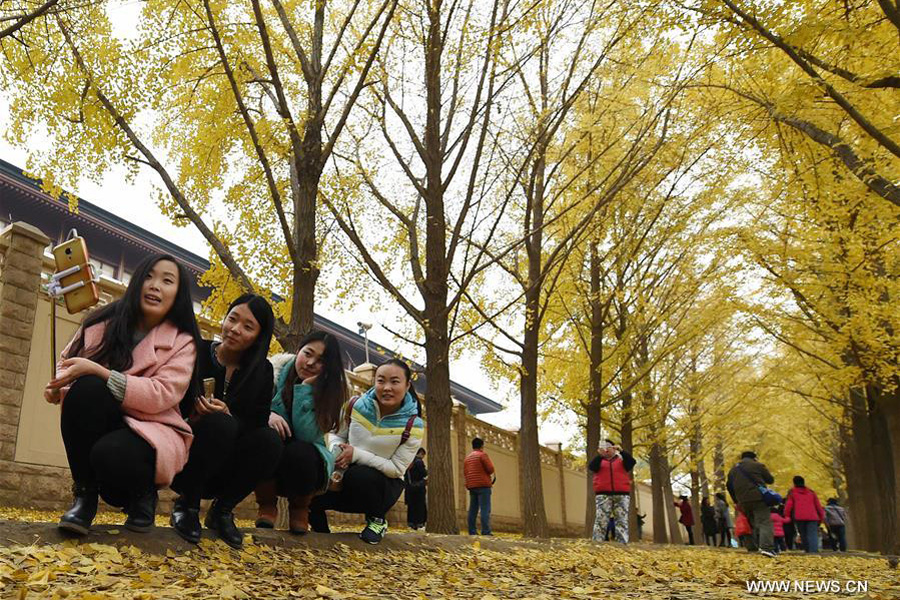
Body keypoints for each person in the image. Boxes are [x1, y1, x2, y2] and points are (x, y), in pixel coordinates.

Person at [45, 254, 201, 536]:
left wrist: (101, 373)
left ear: (178, 295)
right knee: (86, 389)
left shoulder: (182, 342)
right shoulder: (102, 321)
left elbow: (162, 393)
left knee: (111, 450)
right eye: (149, 277)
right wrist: (59, 384)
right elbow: (68, 360)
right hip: (105, 419)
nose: (155, 286)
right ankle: (84, 497)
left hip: (152, 429)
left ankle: (142, 494)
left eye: (167, 281)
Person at [169, 294, 281, 548]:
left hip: (226, 468)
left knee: (270, 441)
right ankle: (187, 505)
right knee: (219, 425)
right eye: (232, 319)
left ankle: (223, 511)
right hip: (185, 458)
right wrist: (193, 415)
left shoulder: (262, 371)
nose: (235, 329)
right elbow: (167, 398)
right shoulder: (195, 350)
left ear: (258, 337)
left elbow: (257, 424)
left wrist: (230, 414)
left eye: (248, 326)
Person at [309, 359, 425, 544]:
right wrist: (337, 453)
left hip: (382, 484)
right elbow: (336, 435)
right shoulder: (355, 405)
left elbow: (396, 468)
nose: (387, 387)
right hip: (344, 472)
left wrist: (356, 455)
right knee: (311, 471)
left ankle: (377, 520)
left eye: (395, 382)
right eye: (381, 381)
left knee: (360, 475)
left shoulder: (413, 425)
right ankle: (320, 532)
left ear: (407, 385)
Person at [254, 331, 347, 535]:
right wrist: (267, 414)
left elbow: (307, 435)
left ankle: (300, 509)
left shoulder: (330, 393)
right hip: (272, 455)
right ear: (298, 351)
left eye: (320, 360)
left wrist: (305, 390)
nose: (311, 362)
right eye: (307, 353)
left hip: (305, 463)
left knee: (300, 450)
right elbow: (251, 409)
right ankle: (267, 505)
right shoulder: (272, 373)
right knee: (265, 439)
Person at [727, 451, 776, 557]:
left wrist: (736, 500)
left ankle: (752, 547)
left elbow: (729, 486)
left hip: (742, 500)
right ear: (754, 458)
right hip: (758, 497)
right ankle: (766, 548)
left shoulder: (733, 470)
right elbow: (770, 480)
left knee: (749, 524)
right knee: (764, 522)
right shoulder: (757, 465)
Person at [588, 440, 635, 544]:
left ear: (614, 448)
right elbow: (592, 467)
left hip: (622, 494)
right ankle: (597, 542)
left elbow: (631, 463)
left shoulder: (622, 460)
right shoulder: (599, 461)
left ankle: (622, 543)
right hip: (603, 495)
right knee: (601, 519)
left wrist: (622, 451)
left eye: (608, 446)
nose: (606, 449)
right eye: (603, 447)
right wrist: (600, 456)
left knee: (621, 519)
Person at [783, 475, 825, 553]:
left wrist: (787, 515)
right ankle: (813, 551)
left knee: (803, 534)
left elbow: (789, 505)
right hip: (812, 516)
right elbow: (818, 505)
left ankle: (807, 550)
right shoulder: (811, 492)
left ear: (794, 483)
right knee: (812, 534)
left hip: (799, 517)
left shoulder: (792, 492)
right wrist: (822, 516)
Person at [465, 437, 495, 536]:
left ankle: (472, 531)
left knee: (473, 509)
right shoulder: (482, 455)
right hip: (483, 485)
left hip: (472, 486)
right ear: (482, 446)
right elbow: (490, 469)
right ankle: (486, 531)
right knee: (485, 509)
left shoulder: (467, 458)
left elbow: (465, 472)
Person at [404, 447, 428, 530]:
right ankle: (419, 524)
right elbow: (424, 473)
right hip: (419, 488)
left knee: (411, 506)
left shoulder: (409, 462)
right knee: (420, 506)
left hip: (409, 488)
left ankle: (411, 523)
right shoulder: (419, 461)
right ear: (421, 453)